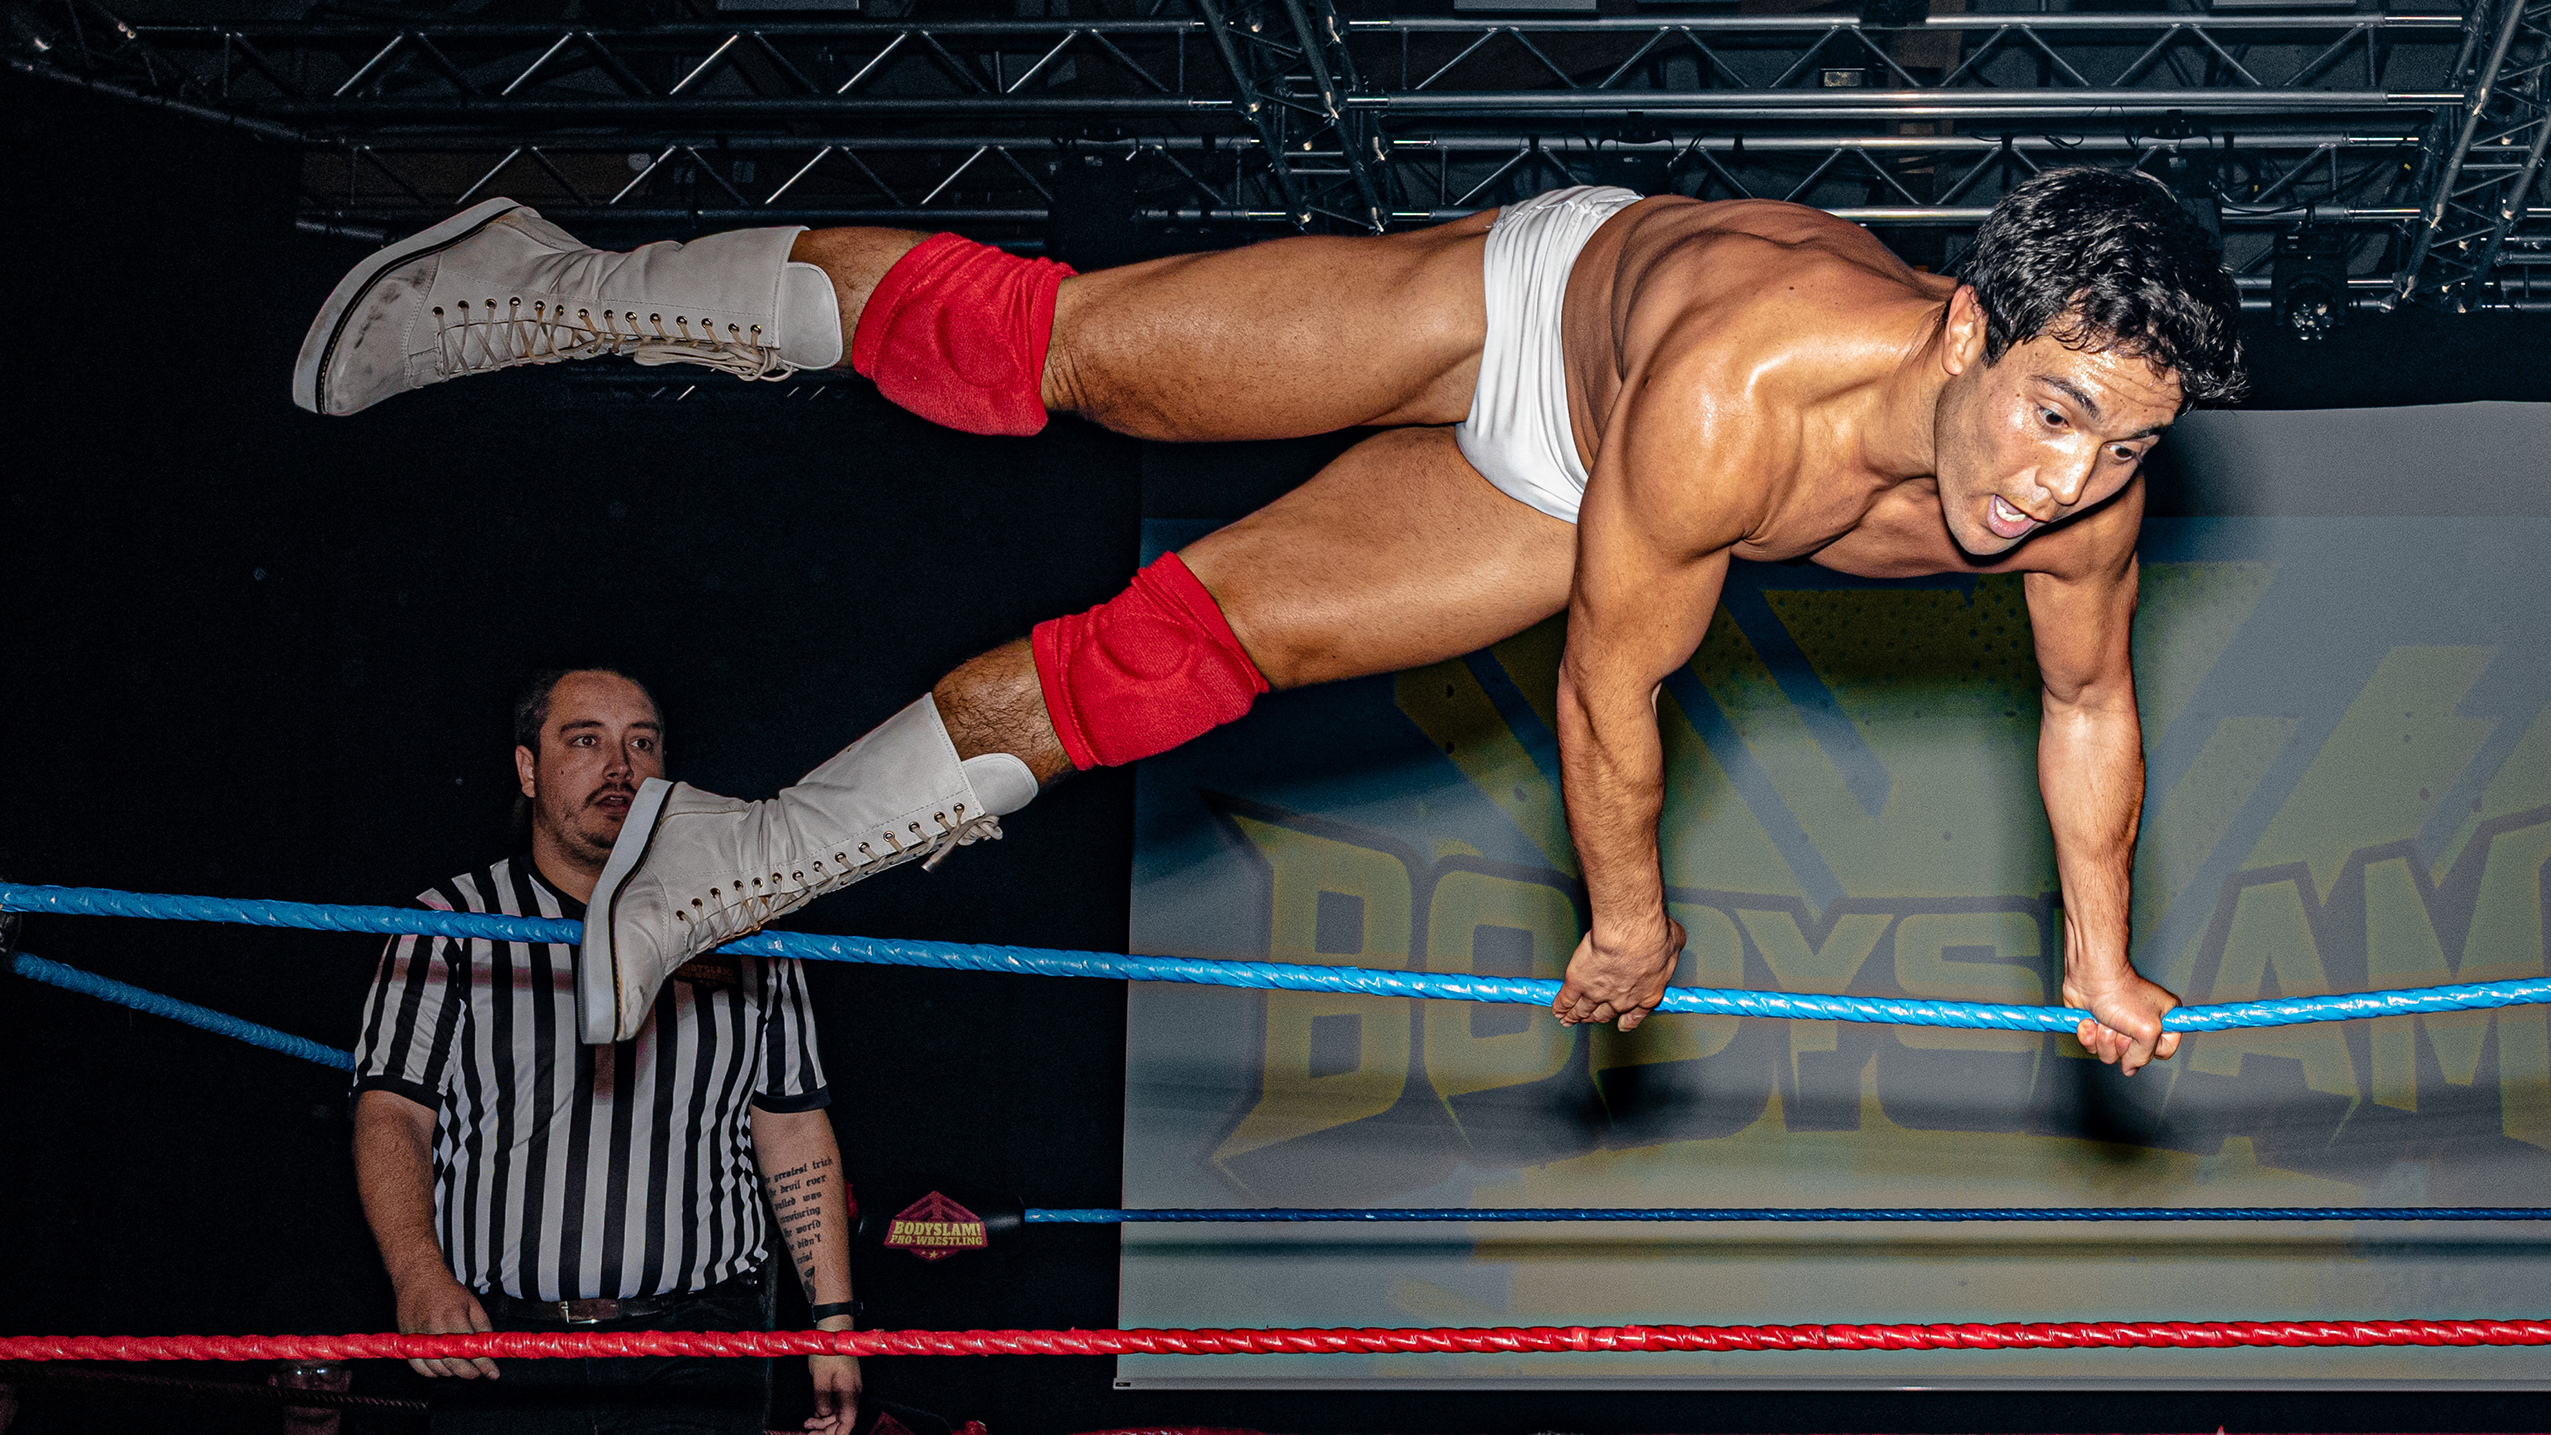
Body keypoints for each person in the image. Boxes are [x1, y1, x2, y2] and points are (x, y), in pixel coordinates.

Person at [301, 168, 2241, 1077]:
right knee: (1058, 355)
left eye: (2121, 447)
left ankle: (734, 854)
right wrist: (1632, 920)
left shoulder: (2085, 502)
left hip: (1563, 504)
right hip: (1528, 323)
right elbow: (1608, 685)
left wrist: (2099, 960)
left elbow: (2087, 711)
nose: (2061, 482)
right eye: (2056, 413)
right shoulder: (1751, 387)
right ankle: (549, 283)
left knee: (1173, 660)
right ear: (1972, 327)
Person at [350, 668, 863, 1434]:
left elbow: (789, 1125)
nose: (620, 767)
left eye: (641, 743)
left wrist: (833, 1326)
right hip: (503, 1345)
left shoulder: (744, 926)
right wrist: (418, 1271)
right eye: (585, 740)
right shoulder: (452, 920)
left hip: (697, 1342)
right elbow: (391, 1108)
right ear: (528, 767)